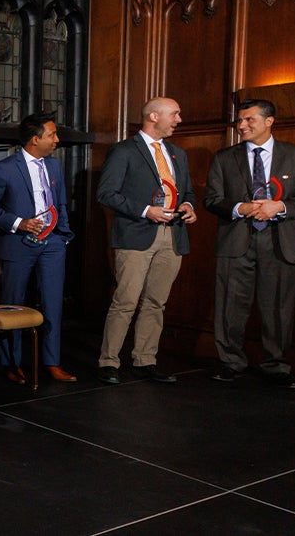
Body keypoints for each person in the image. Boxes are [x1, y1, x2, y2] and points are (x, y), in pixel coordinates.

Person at [203, 99, 295, 389]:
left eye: (249, 120)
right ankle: (230, 363)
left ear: (269, 121)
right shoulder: (224, 158)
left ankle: (276, 366)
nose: (241, 126)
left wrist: (280, 206)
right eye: (240, 120)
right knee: (229, 307)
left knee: (278, 308)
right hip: (236, 240)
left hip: (280, 243)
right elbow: (212, 200)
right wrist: (241, 208)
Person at [95, 97, 197, 385]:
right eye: (174, 114)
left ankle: (144, 360)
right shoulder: (125, 150)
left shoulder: (178, 153)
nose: (178, 120)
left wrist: (189, 207)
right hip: (136, 234)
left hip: (173, 236)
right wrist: (145, 210)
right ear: (154, 116)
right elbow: (106, 193)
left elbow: (187, 192)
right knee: (125, 301)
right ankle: (108, 362)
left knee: (156, 302)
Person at [0, 113, 77, 386]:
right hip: (17, 245)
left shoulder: (55, 167)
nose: (57, 140)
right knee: (13, 307)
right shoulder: (4, 169)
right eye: (52, 135)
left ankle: (52, 363)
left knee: (53, 305)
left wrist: (63, 236)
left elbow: (62, 204)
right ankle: (11, 364)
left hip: (53, 245)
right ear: (35, 140)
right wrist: (19, 223)